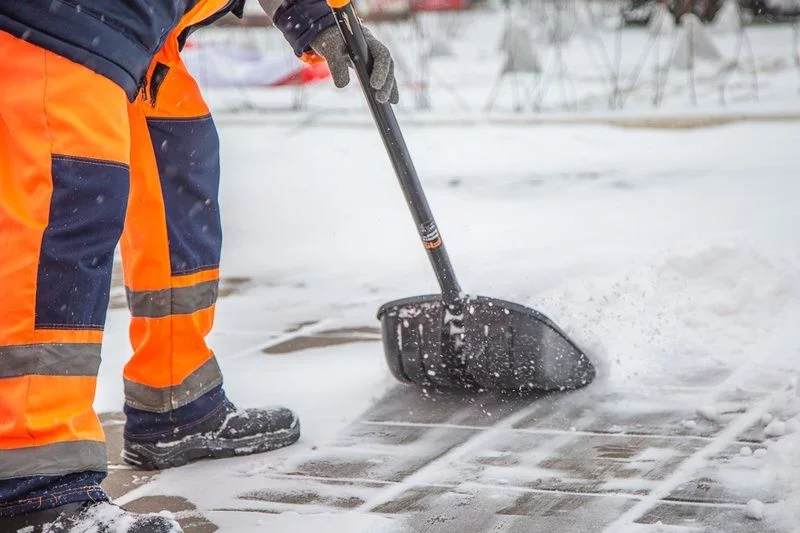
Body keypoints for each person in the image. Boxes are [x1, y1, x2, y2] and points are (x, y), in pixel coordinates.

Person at [0, 0, 397, 531]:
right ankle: (34, 480)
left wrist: (320, 15)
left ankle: (176, 400)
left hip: (137, 31)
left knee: (179, 168)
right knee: (65, 206)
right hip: (63, 19)